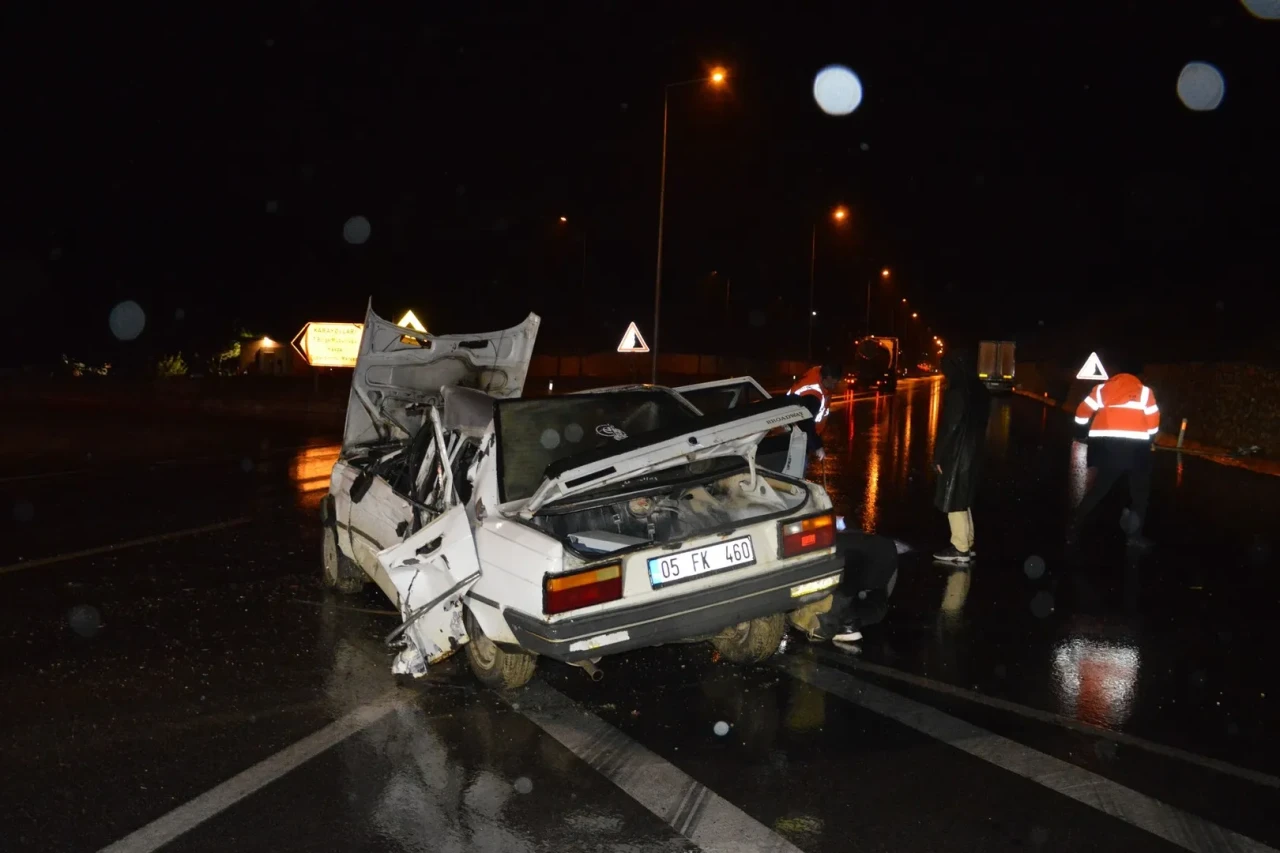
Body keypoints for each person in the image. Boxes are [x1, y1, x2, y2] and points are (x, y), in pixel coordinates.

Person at [1069, 367, 1160, 548]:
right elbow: (1154, 421)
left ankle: (1074, 525)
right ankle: (1134, 538)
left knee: (1100, 487)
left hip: (1108, 448)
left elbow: (1081, 413)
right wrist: (1149, 439)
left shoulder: (1102, 390)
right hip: (1136, 450)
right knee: (1139, 494)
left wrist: (1080, 433)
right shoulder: (1145, 392)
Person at [933, 349, 990, 563]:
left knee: (953, 497)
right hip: (974, 451)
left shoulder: (958, 390)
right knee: (963, 496)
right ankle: (968, 541)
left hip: (958, 453)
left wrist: (939, 456)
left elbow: (951, 426)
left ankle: (960, 548)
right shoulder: (980, 390)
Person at [787, 363, 842, 461]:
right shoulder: (813, 395)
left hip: (792, 431)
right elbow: (806, 423)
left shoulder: (816, 374)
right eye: (834, 383)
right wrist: (818, 446)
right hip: (795, 437)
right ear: (828, 378)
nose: (834, 386)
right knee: (796, 468)